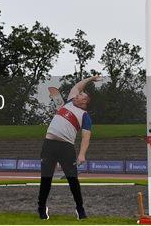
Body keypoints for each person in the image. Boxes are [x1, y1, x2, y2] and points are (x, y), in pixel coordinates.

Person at [37, 75, 100, 220]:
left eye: (80, 95)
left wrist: (82, 154)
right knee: (46, 178)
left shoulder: (85, 116)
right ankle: (41, 209)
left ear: (84, 101)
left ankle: (80, 209)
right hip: (49, 145)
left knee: (73, 180)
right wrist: (91, 79)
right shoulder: (69, 102)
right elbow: (78, 86)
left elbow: (86, 137)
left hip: (66, 148)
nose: (77, 94)